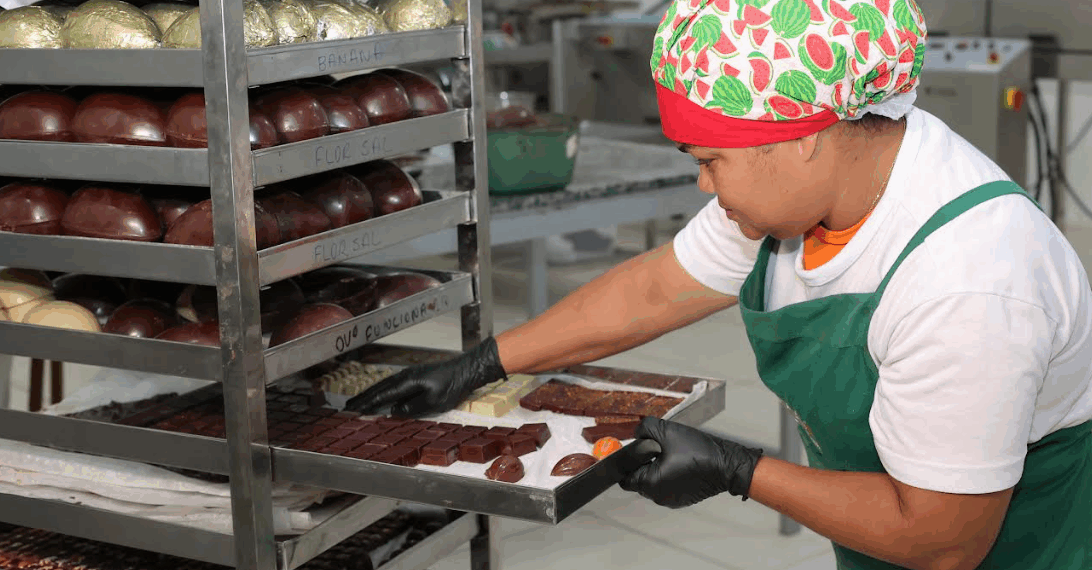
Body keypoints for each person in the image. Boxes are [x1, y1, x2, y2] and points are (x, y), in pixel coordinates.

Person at [346, 0, 1092, 568]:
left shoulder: (970, 277)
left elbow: (942, 539)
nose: (704, 184)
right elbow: (654, 290)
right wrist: (485, 363)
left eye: (711, 159)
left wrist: (739, 470)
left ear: (801, 138)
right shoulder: (808, 194)